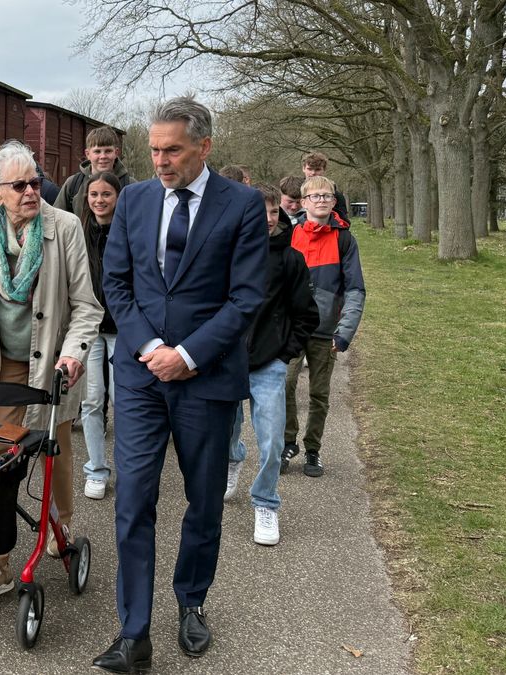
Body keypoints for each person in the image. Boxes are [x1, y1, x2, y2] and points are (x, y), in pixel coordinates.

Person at [95, 97, 266, 671]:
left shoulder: (240, 205)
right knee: (135, 500)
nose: (160, 161)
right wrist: (149, 348)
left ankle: (191, 601)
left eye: (172, 150)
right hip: (142, 377)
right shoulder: (136, 200)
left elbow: (246, 297)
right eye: (154, 150)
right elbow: (115, 282)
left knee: (202, 503)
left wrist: (188, 355)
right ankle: (133, 632)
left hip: (207, 378)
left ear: (204, 147)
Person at [0, 140, 102, 605]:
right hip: (2, 365)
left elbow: (85, 306)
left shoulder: (66, 227)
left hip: (53, 366)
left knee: (54, 451)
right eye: (19, 185)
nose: (30, 191)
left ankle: (60, 529)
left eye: (35, 182)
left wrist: (74, 352)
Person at [223, 183, 318, 546]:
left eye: (274, 213)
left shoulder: (291, 259)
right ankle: (233, 463)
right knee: (227, 433)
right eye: (260, 213)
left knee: (272, 439)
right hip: (229, 361)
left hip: (270, 363)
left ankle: (265, 503)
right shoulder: (228, 255)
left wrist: (285, 352)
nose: (267, 219)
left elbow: (306, 314)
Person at [282, 175, 365, 477]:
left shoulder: (344, 240)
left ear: (333, 201)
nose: (320, 200)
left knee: (319, 393)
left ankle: (313, 449)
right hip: (292, 328)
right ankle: (287, 442)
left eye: (326, 196)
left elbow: (356, 289)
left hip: (326, 330)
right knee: (285, 384)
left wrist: (345, 331)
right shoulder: (289, 235)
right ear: (303, 203)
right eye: (314, 196)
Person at [77, 170, 123, 501]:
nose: (99, 200)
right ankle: (96, 468)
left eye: (106, 194)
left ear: (118, 197)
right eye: (94, 194)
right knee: (92, 400)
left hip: (122, 331)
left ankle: (128, 468)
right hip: (91, 329)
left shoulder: (129, 232)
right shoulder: (79, 234)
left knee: (122, 402)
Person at [54, 125, 135, 219]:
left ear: (116, 153)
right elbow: (56, 220)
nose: (103, 156)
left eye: (108, 151)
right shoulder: (73, 184)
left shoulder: (130, 186)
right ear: (88, 154)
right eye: (97, 151)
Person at [302, 151, 348, 222]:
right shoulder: (294, 190)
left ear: (324, 170)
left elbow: (343, 222)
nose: (313, 173)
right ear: (303, 169)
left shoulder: (336, 196)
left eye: (317, 169)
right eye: (310, 169)